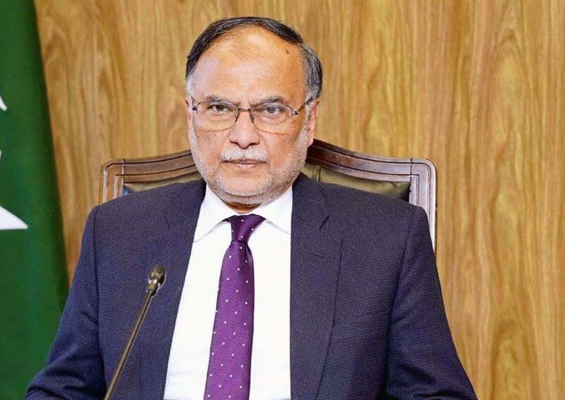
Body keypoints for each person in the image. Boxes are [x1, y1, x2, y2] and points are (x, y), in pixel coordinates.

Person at [26, 17, 476, 400]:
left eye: (271, 110)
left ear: (309, 120)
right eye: (219, 108)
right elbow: (64, 389)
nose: (243, 136)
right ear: (190, 115)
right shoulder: (118, 233)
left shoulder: (385, 240)